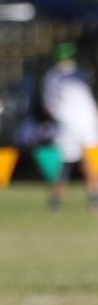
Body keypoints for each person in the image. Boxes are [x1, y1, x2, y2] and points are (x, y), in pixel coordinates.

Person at [41, 41, 98, 213]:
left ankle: (56, 200)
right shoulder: (83, 75)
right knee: (89, 161)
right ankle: (94, 200)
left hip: (67, 125)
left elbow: (49, 106)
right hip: (89, 123)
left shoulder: (52, 76)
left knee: (65, 163)